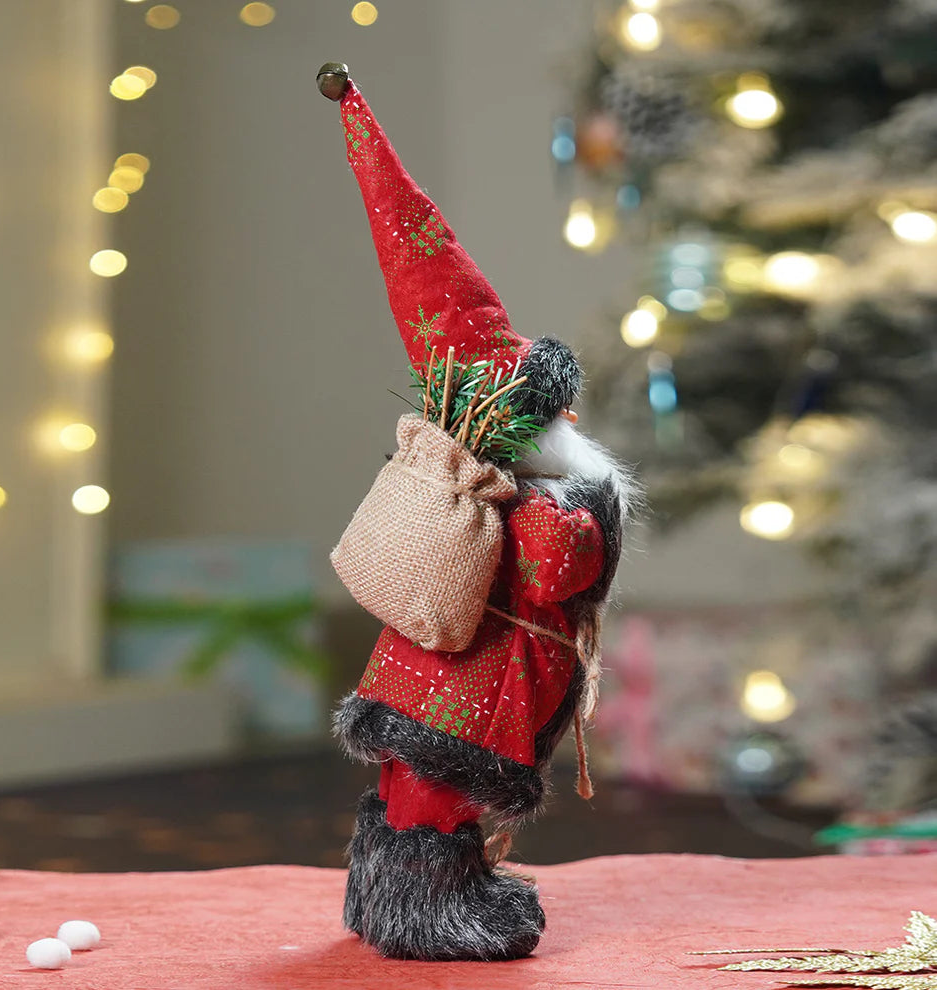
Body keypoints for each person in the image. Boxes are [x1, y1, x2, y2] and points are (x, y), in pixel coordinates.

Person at [318, 63, 635, 961]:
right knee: (434, 797)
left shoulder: (452, 476)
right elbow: (556, 572)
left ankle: (384, 894)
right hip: (468, 690)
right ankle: (429, 911)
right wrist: (578, 517)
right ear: (546, 416)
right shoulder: (540, 498)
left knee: (403, 788)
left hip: (415, 668)